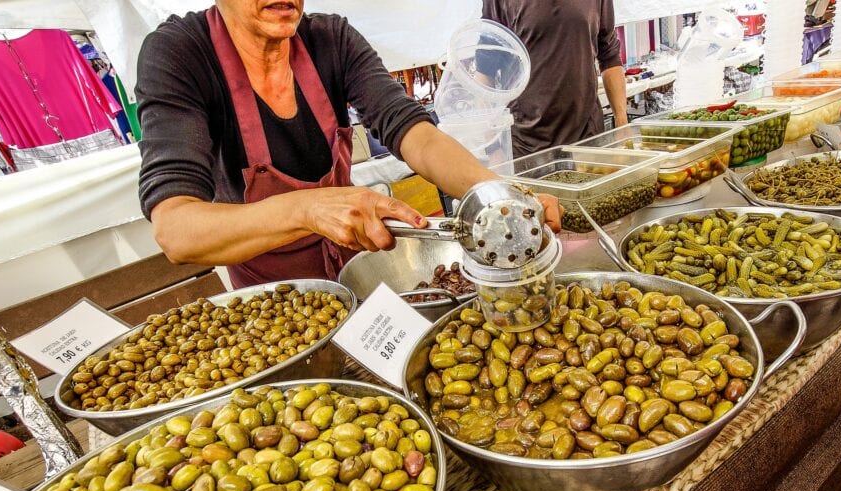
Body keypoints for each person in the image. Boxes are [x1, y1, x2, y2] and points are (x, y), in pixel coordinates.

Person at [136, 0, 561, 288]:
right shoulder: (179, 53)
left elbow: (414, 132)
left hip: (355, 270)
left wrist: (498, 196)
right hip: (275, 296)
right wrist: (309, 209)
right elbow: (176, 230)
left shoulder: (330, 38)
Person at [481, 0, 629, 157]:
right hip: (526, 147)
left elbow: (609, 54)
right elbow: (485, 69)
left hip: (586, 139)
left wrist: (622, 121)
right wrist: (492, 149)